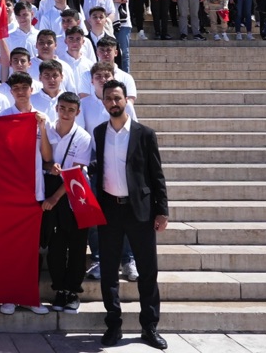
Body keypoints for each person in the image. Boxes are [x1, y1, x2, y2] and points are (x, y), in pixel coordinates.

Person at [89, 81, 169, 350]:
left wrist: (162, 211)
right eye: (108, 98)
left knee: (147, 271)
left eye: (117, 98)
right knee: (109, 273)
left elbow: (157, 175)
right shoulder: (99, 133)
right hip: (110, 209)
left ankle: (150, 327)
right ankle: (113, 326)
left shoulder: (144, 134)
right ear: (103, 103)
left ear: (126, 100)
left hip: (140, 212)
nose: (113, 102)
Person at [40, 90, 93, 314]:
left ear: (77, 112)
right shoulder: (48, 130)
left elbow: (78, 173)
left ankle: (73, 291)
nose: (66, 113)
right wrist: (49, 166)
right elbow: (42, 161)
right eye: (62, 108)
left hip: (75, 193)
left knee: (78, 245)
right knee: (56, 246)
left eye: (71, 110)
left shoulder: (83, 136)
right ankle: (59, 289)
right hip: (51, 187)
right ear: (56, 108)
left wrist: (54, 197)